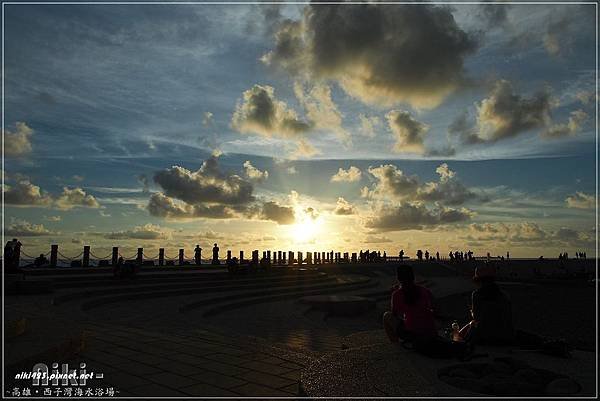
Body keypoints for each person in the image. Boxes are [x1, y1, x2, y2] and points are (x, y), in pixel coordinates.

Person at [457, 265, 515, 345]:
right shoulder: (504, 295)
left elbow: (476, 318)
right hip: (505, 334)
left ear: (480, 281)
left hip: (485, 335)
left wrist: (472, 311)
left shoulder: (477, 295)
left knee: (468, 328)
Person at [383, 265, 437, 343]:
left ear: (398, 278)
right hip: (431, 331)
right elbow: (436, 308)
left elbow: (394, 314)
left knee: (386, 315)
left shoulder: (397, 294)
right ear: (413, 277)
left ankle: (395, 343)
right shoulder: (424, 290)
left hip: (412, 334)